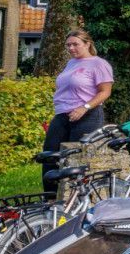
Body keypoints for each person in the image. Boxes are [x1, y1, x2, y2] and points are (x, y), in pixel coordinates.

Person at [42, 29, 113, 193]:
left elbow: (105, 92)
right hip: (63, 114)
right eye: (68, 45)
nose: (71, 48)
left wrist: (85, 107)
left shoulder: (99, 64)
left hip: (87, 115)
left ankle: (73, 198)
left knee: (76, 157)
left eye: (75, 44)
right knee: (50, 155)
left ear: (87, 44)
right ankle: (50, 198)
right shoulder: (71, 63)